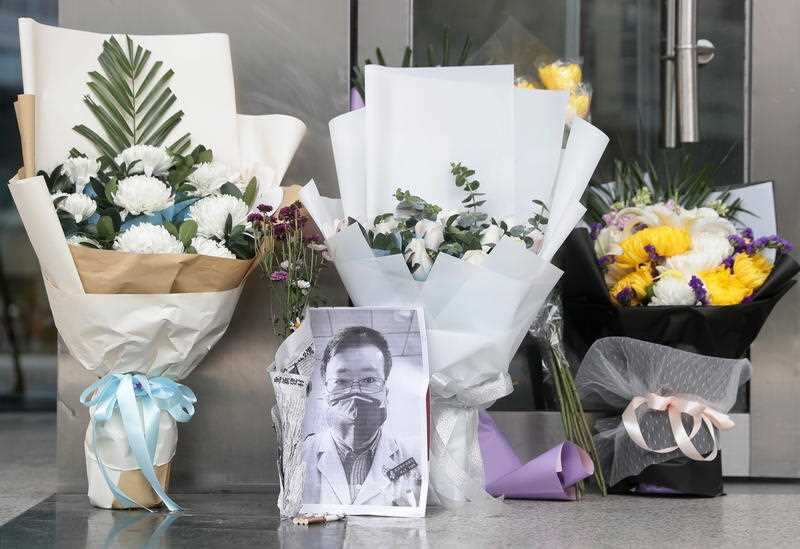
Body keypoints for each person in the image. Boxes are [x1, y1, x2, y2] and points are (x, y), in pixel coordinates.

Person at [303, 326, 422, 507]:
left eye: (369, 380)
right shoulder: (302, 455)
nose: (355, 394)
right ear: (326, 393)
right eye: (341, 381)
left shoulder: (411, 458)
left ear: (385, 393)